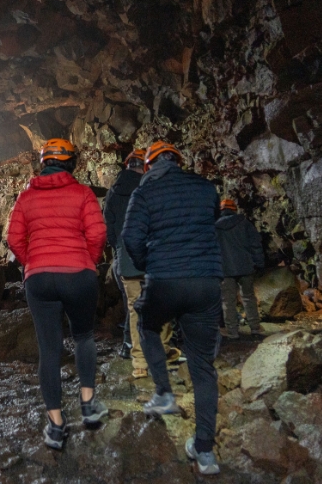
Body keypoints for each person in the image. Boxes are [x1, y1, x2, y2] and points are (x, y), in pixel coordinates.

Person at [121, 141, 223, 475]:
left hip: (164, 280)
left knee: (147, 325)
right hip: (205, 283)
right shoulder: (206, 188)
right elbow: (211, 225)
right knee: (203, 367)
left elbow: (131, 239)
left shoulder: (144, 193)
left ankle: (164, 392)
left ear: (148, 167)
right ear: (178, 162)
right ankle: (205, 452)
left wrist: (151, 264)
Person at [7, 138, 108, 450]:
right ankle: (89, 406)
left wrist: (32, 263)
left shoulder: (26, 197)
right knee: (84, 336)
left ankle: (56, 426)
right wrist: (87, 261)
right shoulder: (82, 193)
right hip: (78, 274)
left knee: (49, 350)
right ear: (71, 163)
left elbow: (13, 238)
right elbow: (98, 233)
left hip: (40, 279)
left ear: (43, 163)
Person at [104, 149, 178, 378]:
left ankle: (139, 363)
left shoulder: (113, 193)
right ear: (144, 166)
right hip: (154, 258)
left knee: (135, 309)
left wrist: (119, 249)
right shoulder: (152, 187)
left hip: (126, 260)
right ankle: (161, 355)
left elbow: (108, 228)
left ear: (126, 165)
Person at [216, 198, 265, 338]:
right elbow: (256, 245)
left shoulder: (215, 227)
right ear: (234, 209)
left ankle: (232, 331)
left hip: (225, 270)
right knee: (249, 297)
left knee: (228, 300)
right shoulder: (245, 224)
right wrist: (259, 263)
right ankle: (255, 327)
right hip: (246, 267)